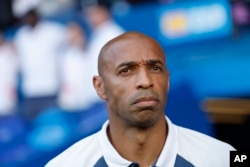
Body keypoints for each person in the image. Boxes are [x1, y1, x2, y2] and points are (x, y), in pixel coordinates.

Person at [45, 32, 235, 167]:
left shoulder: (224, 157)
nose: (145, 81)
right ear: (100, 87)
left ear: (167, 81)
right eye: (126, 70)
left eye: (154, 68)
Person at [14, 8, 67, 121]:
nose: (29, 19)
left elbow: (72, 38)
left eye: (31, 15)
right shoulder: (20, 35)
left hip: (50, 89)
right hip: (30, 91)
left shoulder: (53, 30)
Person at [80, 0, 125, 107]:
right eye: (89, 14)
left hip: (110, 99)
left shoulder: (113, 34)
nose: (90, 18)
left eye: (95, 13)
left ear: (104, 12)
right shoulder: (97, 36)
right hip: (97, 100)